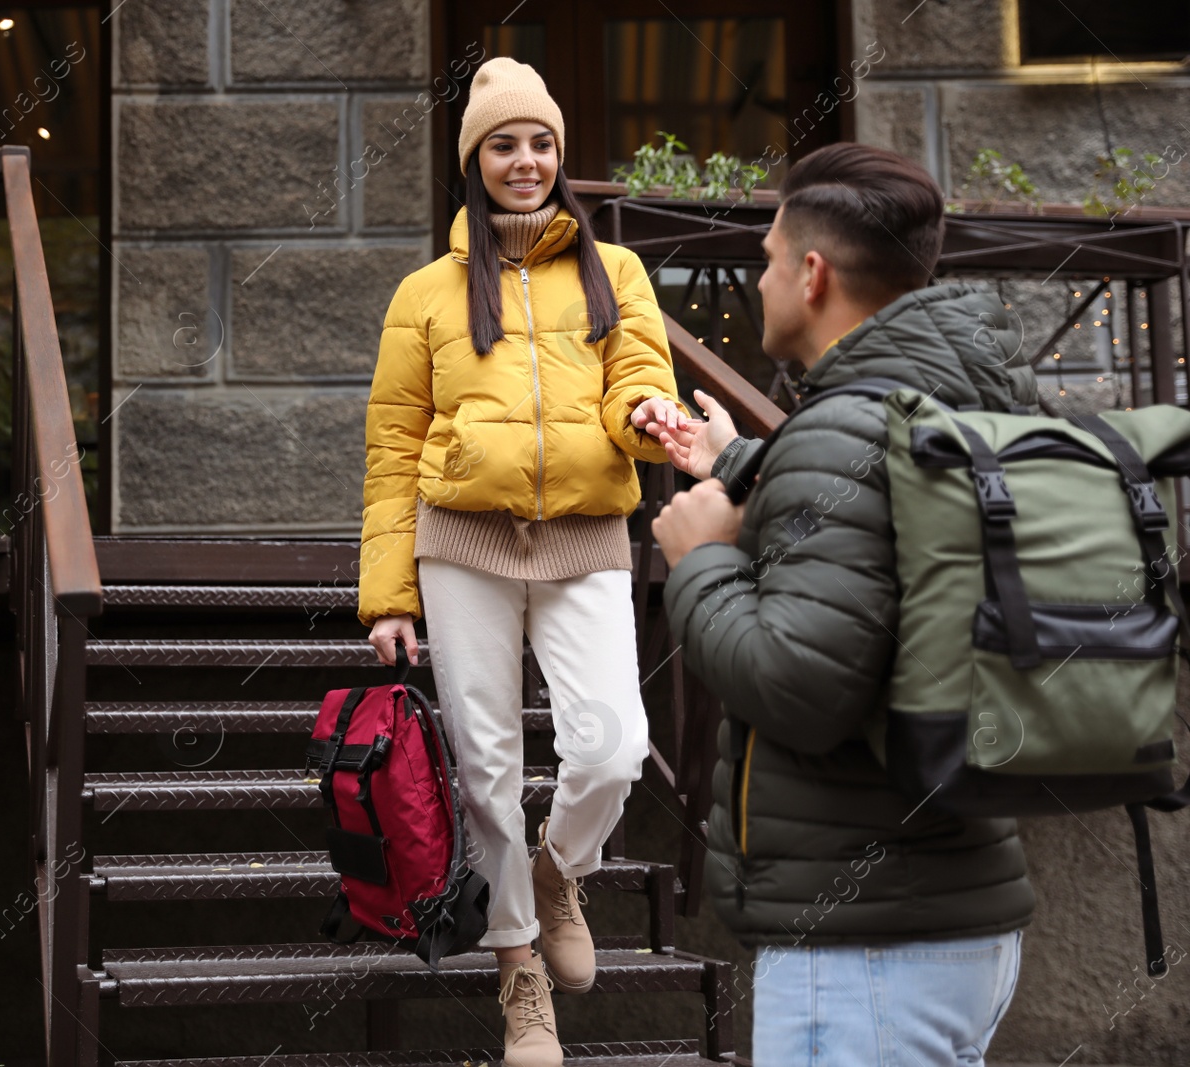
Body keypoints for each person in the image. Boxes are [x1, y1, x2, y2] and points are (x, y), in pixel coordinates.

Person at [651, 142, 1037, 1066]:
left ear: (813, 273)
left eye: (769, 259)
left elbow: (798, 686)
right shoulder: (961, 404)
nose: (762, 278)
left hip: (867, 939)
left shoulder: (847, 425)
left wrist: (698, 562)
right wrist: (739, 463)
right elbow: (879, 535)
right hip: (954, 910)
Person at [356, 57, 686, 1067]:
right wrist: (387, 593)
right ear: (474, 161)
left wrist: (643, 415)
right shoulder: (425, 292)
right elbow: (392, 443)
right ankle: (518, 972)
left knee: (611, 746)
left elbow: (638, 371)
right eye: (503, 144)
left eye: (539, 142)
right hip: (462, 544)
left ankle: (557, 872)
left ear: (557, 157)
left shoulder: (613, 272)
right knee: (489, 768)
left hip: (585, 537)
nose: (525, 159)